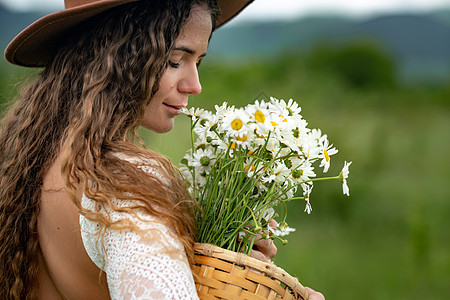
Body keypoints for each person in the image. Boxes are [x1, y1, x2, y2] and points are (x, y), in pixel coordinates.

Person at [0, 0, 325, 299]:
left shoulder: (32, 152)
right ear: (115, 54)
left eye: (197, 61)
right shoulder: (125, 185)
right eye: (174, 60)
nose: (194, 85)